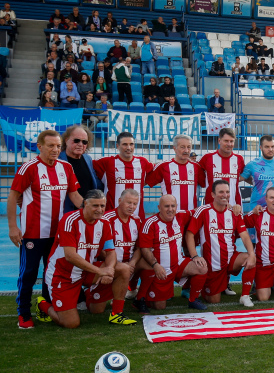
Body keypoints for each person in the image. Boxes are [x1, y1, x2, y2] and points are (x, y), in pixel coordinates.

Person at [8, 130, 84, 329]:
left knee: (52, 273)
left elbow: (75, 196)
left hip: (58, 235)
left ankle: (45, 307)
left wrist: (91, 210)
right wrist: (13, 227)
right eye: (51, 146)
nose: (55, 150)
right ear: (39, 147)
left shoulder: (66, 167)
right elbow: (12, 196)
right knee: (29, 273)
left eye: (58, 146)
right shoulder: (29, 168)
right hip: (33, 233)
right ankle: (23, 313)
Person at [35, 190, 135, 328]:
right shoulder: (69, 220)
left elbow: (111, 252)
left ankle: (116, 314)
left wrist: (109, 269)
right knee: (71, 323)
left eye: (102, 206)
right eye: (95, 206)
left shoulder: (105, 223)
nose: (100, 210)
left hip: (86, 271)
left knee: (123, 269)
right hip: (63, 276)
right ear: (84, 205)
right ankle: (42, 304)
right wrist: (100, 271)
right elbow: (70, 256)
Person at [185, 180, 257, 307]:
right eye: (221, 192)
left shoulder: (235, 212)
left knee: (249, 258)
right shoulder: (203, 211)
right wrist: (195, 256)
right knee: (214, 300)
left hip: (230, 259)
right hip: (212, 264)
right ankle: (209, 286)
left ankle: (245, 296)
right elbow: (189, 234)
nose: (225, 195)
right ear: (212, 195)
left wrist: (252, 254)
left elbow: (244, 235)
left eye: (227, 192)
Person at [134, 195, 208, 313]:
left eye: (173, 206)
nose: (170, 209)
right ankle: (142, 296)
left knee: (202, 267)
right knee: (159, 306)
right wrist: (155, 265)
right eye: (166, 206)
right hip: (161, 269)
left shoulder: (181, 216)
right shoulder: (150, 223)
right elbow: (145, 249)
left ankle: (193, 300)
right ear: (159, 207)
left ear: (176, 207)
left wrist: (228, 206)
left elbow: (200, 210)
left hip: (178, 264)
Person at [92, 131, 153, 220]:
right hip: (111, 217)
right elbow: (85, 165)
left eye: (131, 144)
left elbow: (158, 172)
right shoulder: (107, 162)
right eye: (125, 144)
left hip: (137, 217)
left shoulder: (143, 162)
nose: (129, 148)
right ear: (117, 146)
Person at [146, 134, 206, 212]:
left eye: (189, 147)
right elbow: (145, 182)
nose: (186, 151)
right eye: (182, 147)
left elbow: (205, 184)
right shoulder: (163, 166)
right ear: (175, 148)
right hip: (170, 215)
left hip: (191, 215)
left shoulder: (196, 167)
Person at [240, 135, 274, 212]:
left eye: (272, 146)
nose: (270, 149)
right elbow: (239, 178)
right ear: (260, 148)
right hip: (257, 208)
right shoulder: (252, 164)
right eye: (267, 147)